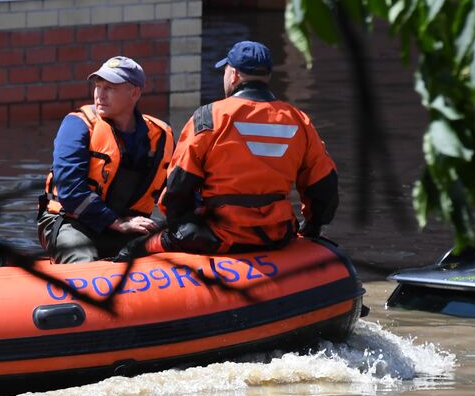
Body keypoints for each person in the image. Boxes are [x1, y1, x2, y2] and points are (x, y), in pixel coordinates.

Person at [123, 40, 338, 259]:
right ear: (267, 76)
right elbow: (324, 186)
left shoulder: (209, 117)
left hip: (216, 235)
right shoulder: (298, 121)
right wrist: (310, 227)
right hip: (276, 234)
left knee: (132, 249)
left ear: (233, 74)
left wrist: (182, 224)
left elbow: (178, 186)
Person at [37, 55, 174, 264]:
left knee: (172, 250)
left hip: (127, 223)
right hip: (70, 221)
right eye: (97, 86)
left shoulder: (161, 136)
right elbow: (71, 191)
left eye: (110, 88)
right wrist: (117, 223)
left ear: (134, 93)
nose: (100, 95)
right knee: (83, 261)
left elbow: (176, 188)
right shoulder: (78, 124)